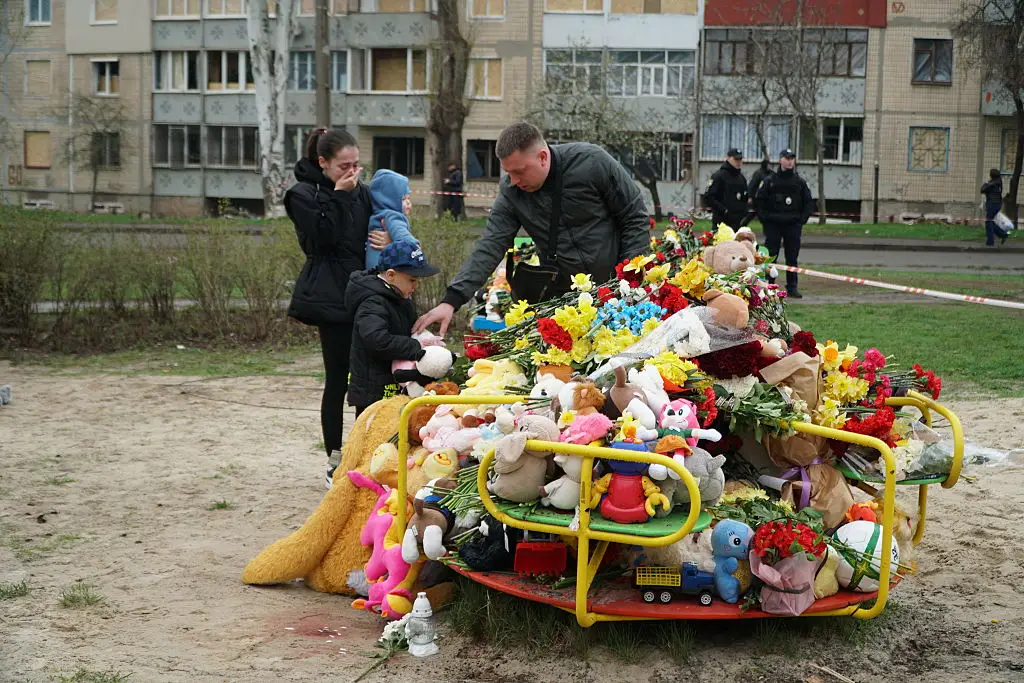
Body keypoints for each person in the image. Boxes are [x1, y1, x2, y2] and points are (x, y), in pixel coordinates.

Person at [413, 121, 650, 336]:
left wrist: (628, 282)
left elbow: (634, 216)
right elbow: (491, 244)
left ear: (543, 157)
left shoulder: (591, 162)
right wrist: (451, 300)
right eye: (508, 172)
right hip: (564, 302)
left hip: (617, 292)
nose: (514, 180)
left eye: (519, 171)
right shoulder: (512, 191)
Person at [284, 128, 391, 488]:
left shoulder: (360, 192)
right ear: (323, 163)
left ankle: (362, 452)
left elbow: (374, 228)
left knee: (368, 377)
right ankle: (334, 458)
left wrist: (387, 233)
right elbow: (322, 239)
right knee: (337, 378)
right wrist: (340, 197)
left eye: (357, 165)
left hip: (365, 291)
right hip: (330, 298)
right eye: (344, 165)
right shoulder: (301, 195)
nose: (352, 172)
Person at [346, 241, 449, 425]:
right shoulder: (372, 301)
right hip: (373, 389)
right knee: (372, 437)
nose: (415, 286)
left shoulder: (400, 297)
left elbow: (406, 331)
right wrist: (416, 347)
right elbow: (377, 339)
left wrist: (425, 339)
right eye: (412, 280)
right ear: (391, 275)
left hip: (395, 381)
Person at [755, 148, 813, 299]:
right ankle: (768, 285)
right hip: (773, 224)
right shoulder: (770, 181)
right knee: (771, 256)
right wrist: (765, 219)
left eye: (792, 158)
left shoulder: (799, 182)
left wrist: (801, 220)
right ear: (780, 160)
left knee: (792, 256)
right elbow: (760, 201)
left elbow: (808, 202)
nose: (789, 161)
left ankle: (792, 286)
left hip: (792, 225)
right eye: (786, 158)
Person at [365, 169, 418, 270]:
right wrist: (415, 247)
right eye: (403, 199)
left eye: (409, 198)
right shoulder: (393, 216)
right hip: (387, 272)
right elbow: (403, 237)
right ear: (388, 200)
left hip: (372, 272)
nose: (408, 203)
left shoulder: (377, 215)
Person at [702, 147, 753, 230]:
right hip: (721, 223)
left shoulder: (741, 178)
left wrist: (745, 211)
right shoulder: (719, 176)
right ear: (728, 158)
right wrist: (724, 210)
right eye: (736, 159)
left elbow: (745, 197)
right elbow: (708, 197)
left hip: (737, 222)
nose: (738, 162)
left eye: (740, 159)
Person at [980, 168, 1008, 247]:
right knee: (990, 221)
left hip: (992, 204)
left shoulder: (992, 183)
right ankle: (1003, 235)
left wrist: (986, 183)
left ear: (991, 175)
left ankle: (990, 241)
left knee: (989, 222)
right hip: (997, 204)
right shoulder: (998, 182)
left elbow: (982, 190)